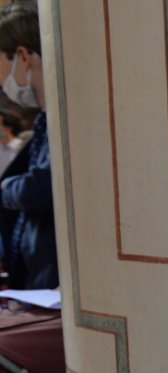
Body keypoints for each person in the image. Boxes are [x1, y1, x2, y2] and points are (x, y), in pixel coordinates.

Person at [0, 2, 57, 292]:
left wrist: (5, 188)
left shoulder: (63, 118)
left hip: (53, 279)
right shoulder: (46, 120)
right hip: (38, 276)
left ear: (22, 56)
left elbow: (43, 186)